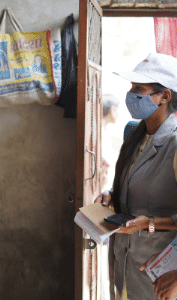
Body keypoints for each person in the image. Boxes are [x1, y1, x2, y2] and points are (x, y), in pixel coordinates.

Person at [95, 53, 177, 300]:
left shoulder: (174, 144)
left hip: (161, 274)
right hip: (126, 266)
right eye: (132, 87)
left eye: (139, 88)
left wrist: (149, 223)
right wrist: (113, 195)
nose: (131, 94)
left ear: (165, 96)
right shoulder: (135, 136)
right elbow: (136, 184)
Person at [102, 93, 120, 190]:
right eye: (117, 110)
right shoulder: (100, 132)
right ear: (112, 110)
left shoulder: (104, 130)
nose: (118, 114)